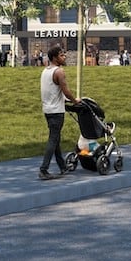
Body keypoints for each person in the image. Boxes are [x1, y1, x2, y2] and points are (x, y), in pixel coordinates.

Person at [38, 44, 80, 180]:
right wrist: (75, 101)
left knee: (55, 138)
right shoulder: (59, 72)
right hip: (56, 111)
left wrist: (65, 100)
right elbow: (65, 90)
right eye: (62, 55)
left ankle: (62, 166)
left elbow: (52, 91)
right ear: (55, 58)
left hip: (47, 110)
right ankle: (44, 169)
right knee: (53, 139)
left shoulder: (45, 71)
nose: (64, 57)